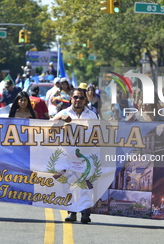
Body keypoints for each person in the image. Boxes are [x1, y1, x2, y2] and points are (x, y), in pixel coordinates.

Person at [52, 88, 98, 224]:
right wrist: (60, 118)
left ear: (85, 99)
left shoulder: (92, 115)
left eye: (81, 98)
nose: (78, 100)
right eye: (75, 97)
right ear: (71, 99)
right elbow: (48, 127)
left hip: (87, 156)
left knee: (86, 183)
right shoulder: (63, 112)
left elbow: (99, 134)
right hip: (68, 155)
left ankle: (85, 213)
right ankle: (71, 212)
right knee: (68, 185)